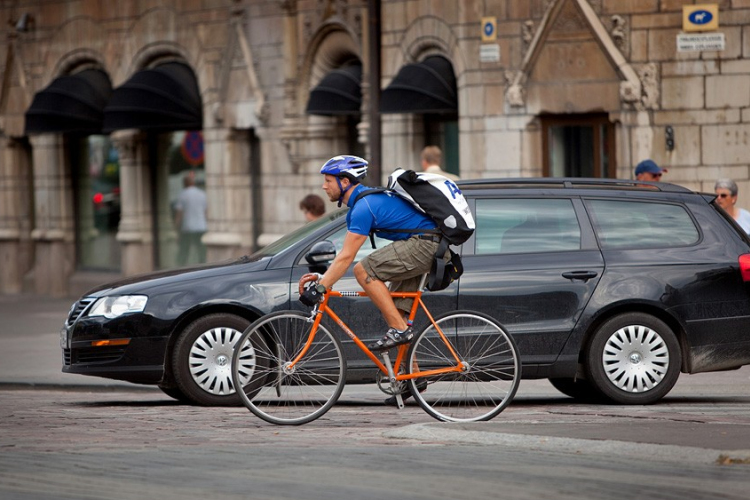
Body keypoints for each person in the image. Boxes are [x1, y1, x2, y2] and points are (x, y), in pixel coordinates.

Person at [299, 155, 445, 351]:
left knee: (363, 271)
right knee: (394, 314)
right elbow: (343, 255)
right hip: (424, 244)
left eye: (328, 180)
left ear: (344, 181)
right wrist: (323, 279)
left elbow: (346, 257)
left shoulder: (363, 207)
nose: (324, 186)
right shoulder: (363, 203)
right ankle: (409, 377)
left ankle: (400, 330)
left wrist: (319, 288)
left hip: (425, 245)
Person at [174, 171, 207, 265]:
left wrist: (177, 229)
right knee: (201, 250)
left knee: (184, 250)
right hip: (201, 226)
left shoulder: (183, 194)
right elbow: (206, 212)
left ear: (184, 183)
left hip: (188, 228)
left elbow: (179, 214)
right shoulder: (202, 194)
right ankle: (203, 266)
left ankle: (181, 268)